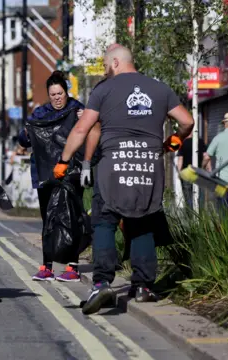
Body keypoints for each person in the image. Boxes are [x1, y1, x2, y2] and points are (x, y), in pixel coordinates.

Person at [53, 44, 195, 315]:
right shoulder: (160, 88)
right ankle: (143, 286)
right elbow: (187, 121)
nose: (106, 69)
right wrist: (174, 140)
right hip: (149, 167)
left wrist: (63, 160)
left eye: (107, 64)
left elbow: (83, 128)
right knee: (142, 221)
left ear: (116, 63)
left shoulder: (103, 90)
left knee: (105, 221)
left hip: (114, 166)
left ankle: (102, 282)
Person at [18, 70, 91, 282]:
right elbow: (24, 141)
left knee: (73, 218)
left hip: (71, 174)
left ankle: (73, 267)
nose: (57, 98)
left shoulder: (78, 109)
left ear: (66, 92)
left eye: (60, 93)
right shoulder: (41, 114)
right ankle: (47, 266)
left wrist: (84, 119)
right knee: (48, 219)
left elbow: (93, 132)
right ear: (48, 95)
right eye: (53, 94)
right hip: (46, 175)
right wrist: (26, 131)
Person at [176, 130, 208, 208]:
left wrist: (179, 172)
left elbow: (180, 159)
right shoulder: (200, 141)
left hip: (186, 172)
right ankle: (200, 215)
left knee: (188, 195)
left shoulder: (182, 143)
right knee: (199, 195)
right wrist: (202, 167)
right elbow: (206, 157)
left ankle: (190, 215)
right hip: (199, 172)